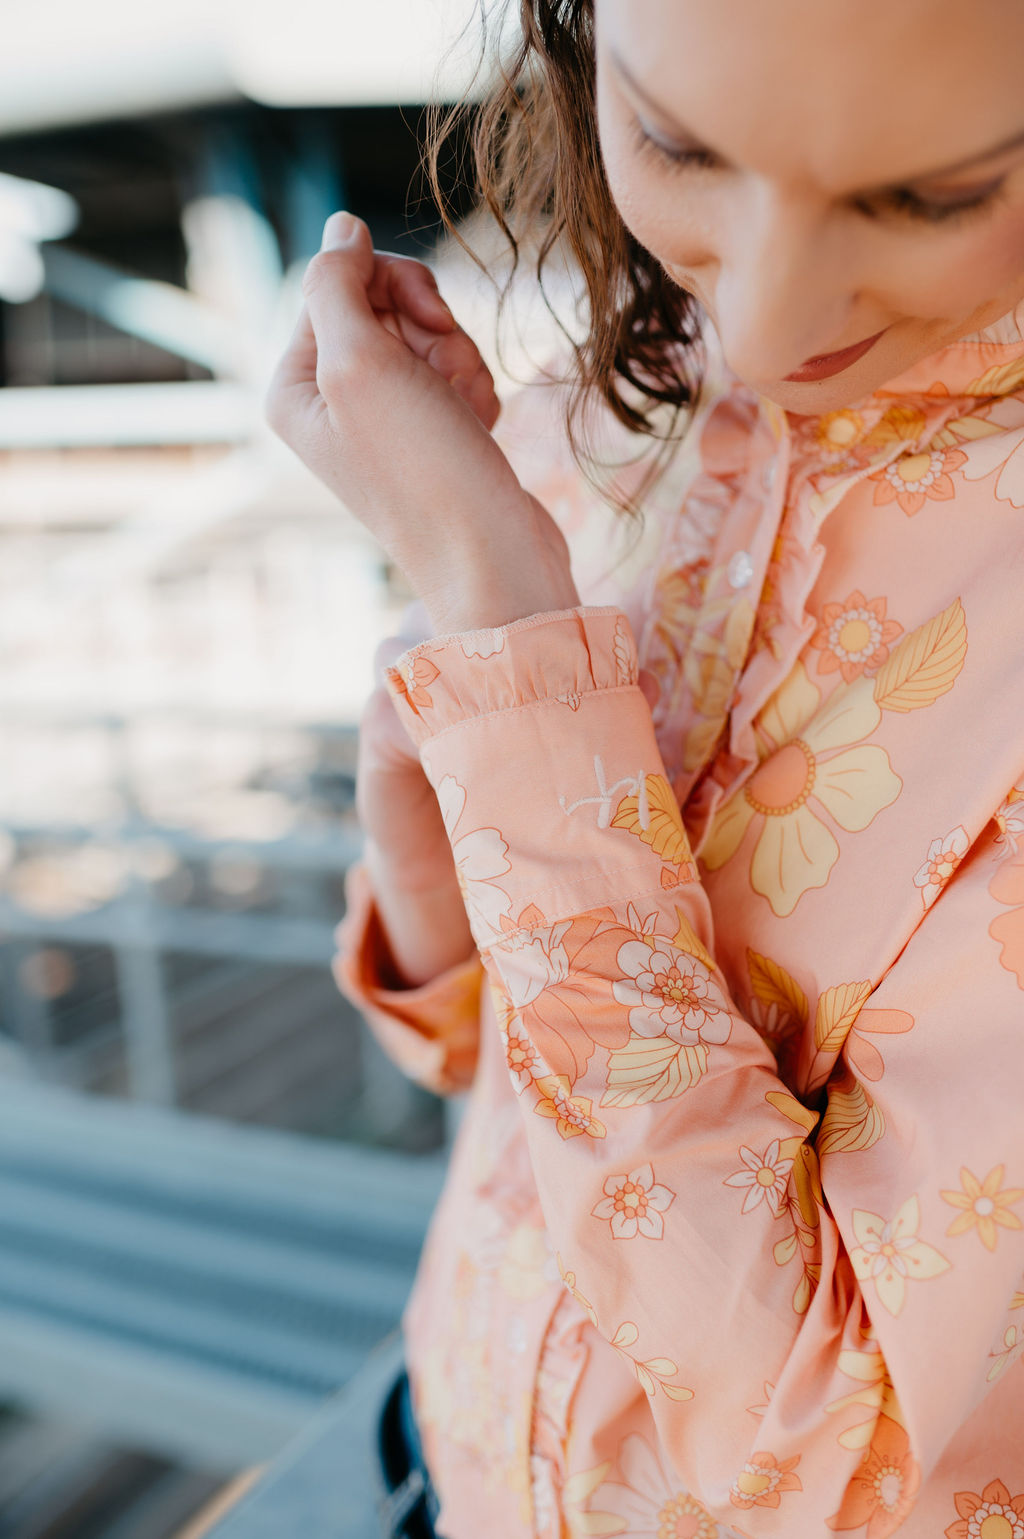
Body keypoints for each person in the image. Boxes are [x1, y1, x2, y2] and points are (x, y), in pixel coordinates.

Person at [264, 0, 1024, 1533]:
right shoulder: (630, 396)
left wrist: (500, 625)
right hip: (433, 1463)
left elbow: (841, 1479)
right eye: (679, 146)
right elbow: (468, 1044)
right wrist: (454, 697)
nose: (764, 327)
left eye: (927, 196)